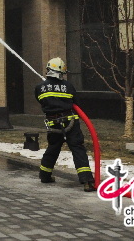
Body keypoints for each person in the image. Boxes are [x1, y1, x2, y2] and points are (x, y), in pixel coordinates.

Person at [35, 57, 96, 192]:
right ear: (61, 71)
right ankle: (87, 181)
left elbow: (42, 102)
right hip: (71, 122)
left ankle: (45, 175)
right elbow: (76, 103)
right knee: (77, 149)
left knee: (53, 149)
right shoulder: (68, 86)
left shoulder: (40, 87)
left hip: (53, 124)